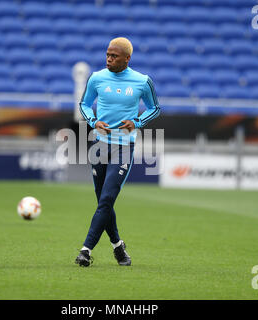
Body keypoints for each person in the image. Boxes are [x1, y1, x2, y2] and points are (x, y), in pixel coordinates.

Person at [76, 37, 160, 267]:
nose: (109, 59)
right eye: (107, 55)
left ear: (127, 58)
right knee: (104, 202)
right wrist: (94, 121)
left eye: (114, 56)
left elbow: (154, 109)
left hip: (124, 147)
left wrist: (137, 122)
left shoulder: (142, 81)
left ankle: (85, 250)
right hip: (100, 145)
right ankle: (118, 247)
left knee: (106, 199)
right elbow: (84, 104)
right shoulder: (97, 78)